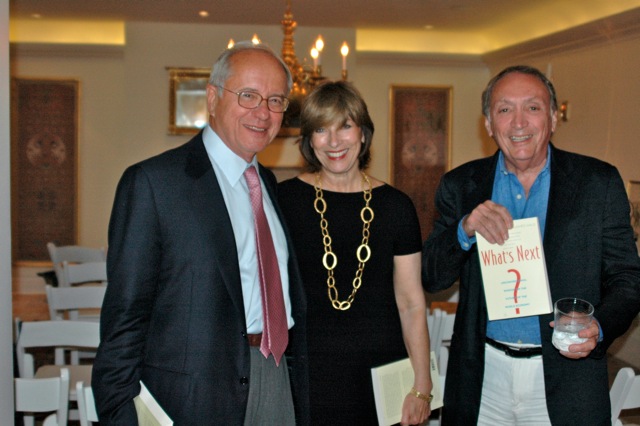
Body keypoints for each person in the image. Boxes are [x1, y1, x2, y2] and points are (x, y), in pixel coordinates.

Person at [92, 41, 310, 425]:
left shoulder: (269, 185)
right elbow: (124, 320)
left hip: (275, 379)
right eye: (248, 96)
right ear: (212, 98)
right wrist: (119, 416)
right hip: (192, 396)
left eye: (276, 100)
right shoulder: (154, 184)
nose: (263, 112)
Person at [422, 65, 640, 425]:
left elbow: (629, 280)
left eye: (533, 108)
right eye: (505, 109)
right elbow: (431, 275)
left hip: (565, 377)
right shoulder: (461, 185)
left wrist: (597, 327)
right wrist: (464, 230)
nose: (519, 122)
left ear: (553, 117)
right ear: (489, 124)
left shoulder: (597, 184)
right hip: (482, 378)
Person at [278, 81, 433, 425]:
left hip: (382, 375)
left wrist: (422, 384)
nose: (334, 142)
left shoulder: (396, 207)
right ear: (308, 140)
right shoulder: (284, 202)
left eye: (345, 126)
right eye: (321, 129)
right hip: (306, 376)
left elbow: (411, 303)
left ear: (363, 133)